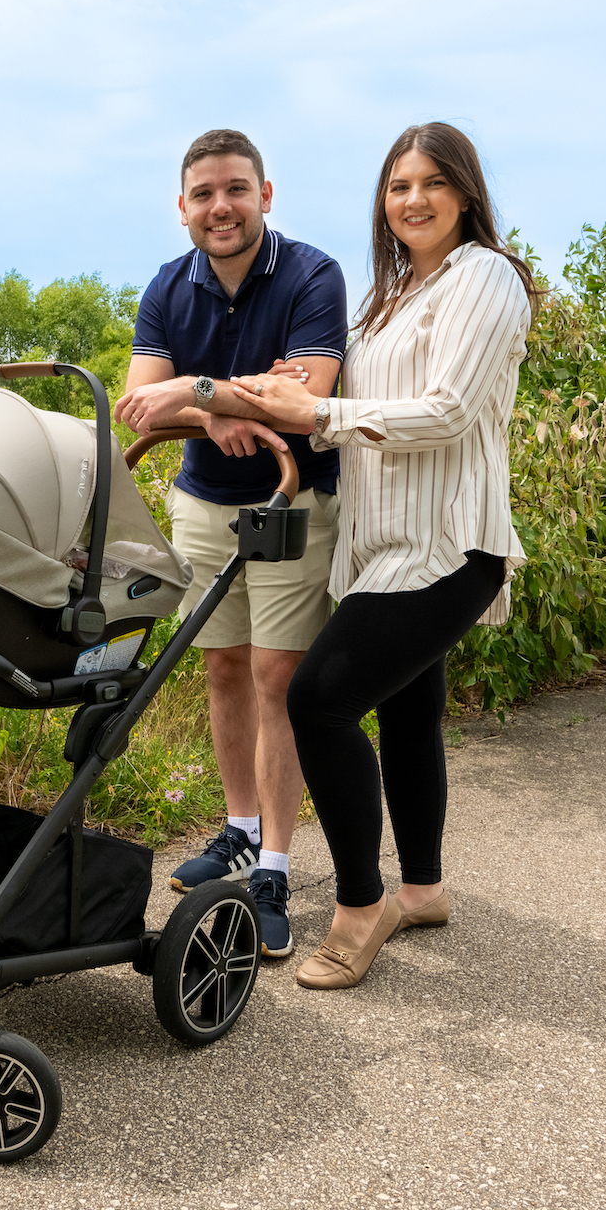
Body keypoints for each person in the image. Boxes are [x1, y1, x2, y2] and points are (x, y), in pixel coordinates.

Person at [230, 121, 539, 989]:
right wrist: (288, 393)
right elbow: (360, 395)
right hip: (381, 545)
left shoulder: (484, 278)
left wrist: (317, 418)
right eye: (397, 186)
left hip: (446, 544)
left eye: (431, 183)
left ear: (466, 194)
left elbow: (445, 412)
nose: (411, 199)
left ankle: (362, 907)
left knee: (318, 701)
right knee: (407, 712)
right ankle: (425, 889)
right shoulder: (393, 291)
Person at [112, 128, 347, 958]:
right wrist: (216, 408)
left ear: (266, 195)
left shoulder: (314, 274)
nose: (222, 207)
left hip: (292, 501)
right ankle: (239, 828)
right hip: (204, 500)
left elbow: (309, 396)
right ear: (182, 209)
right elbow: (136, 407)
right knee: (221, 666)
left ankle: (275, 865)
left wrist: (193, 387)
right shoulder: (166, 288)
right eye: (204, 194)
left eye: (237, 190)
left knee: (278, 676)